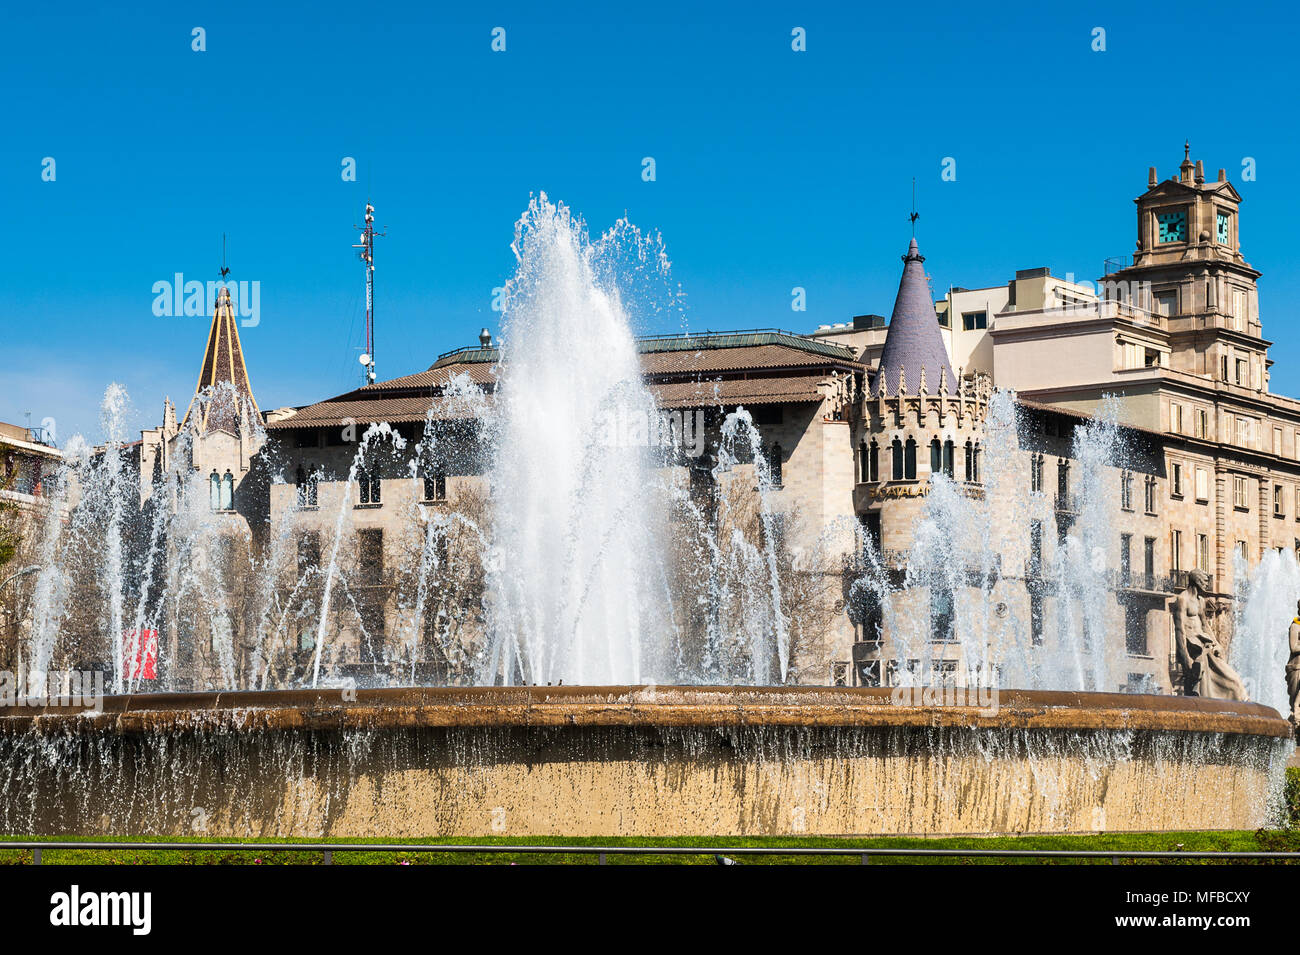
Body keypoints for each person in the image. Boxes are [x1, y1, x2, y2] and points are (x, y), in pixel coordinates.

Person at [1171, 570, 1247, 700]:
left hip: (1205, 646)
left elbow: (1205, 625)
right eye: (1205, 581)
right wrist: (1185, 658)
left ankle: (1241, 702)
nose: (1207, 585)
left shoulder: (1201, 601)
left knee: (1234, 681)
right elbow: (1179, 630)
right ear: (1197, 581)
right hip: (1193, 649)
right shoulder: (1182, 599)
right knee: (1200, 690)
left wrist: (1217, 644)